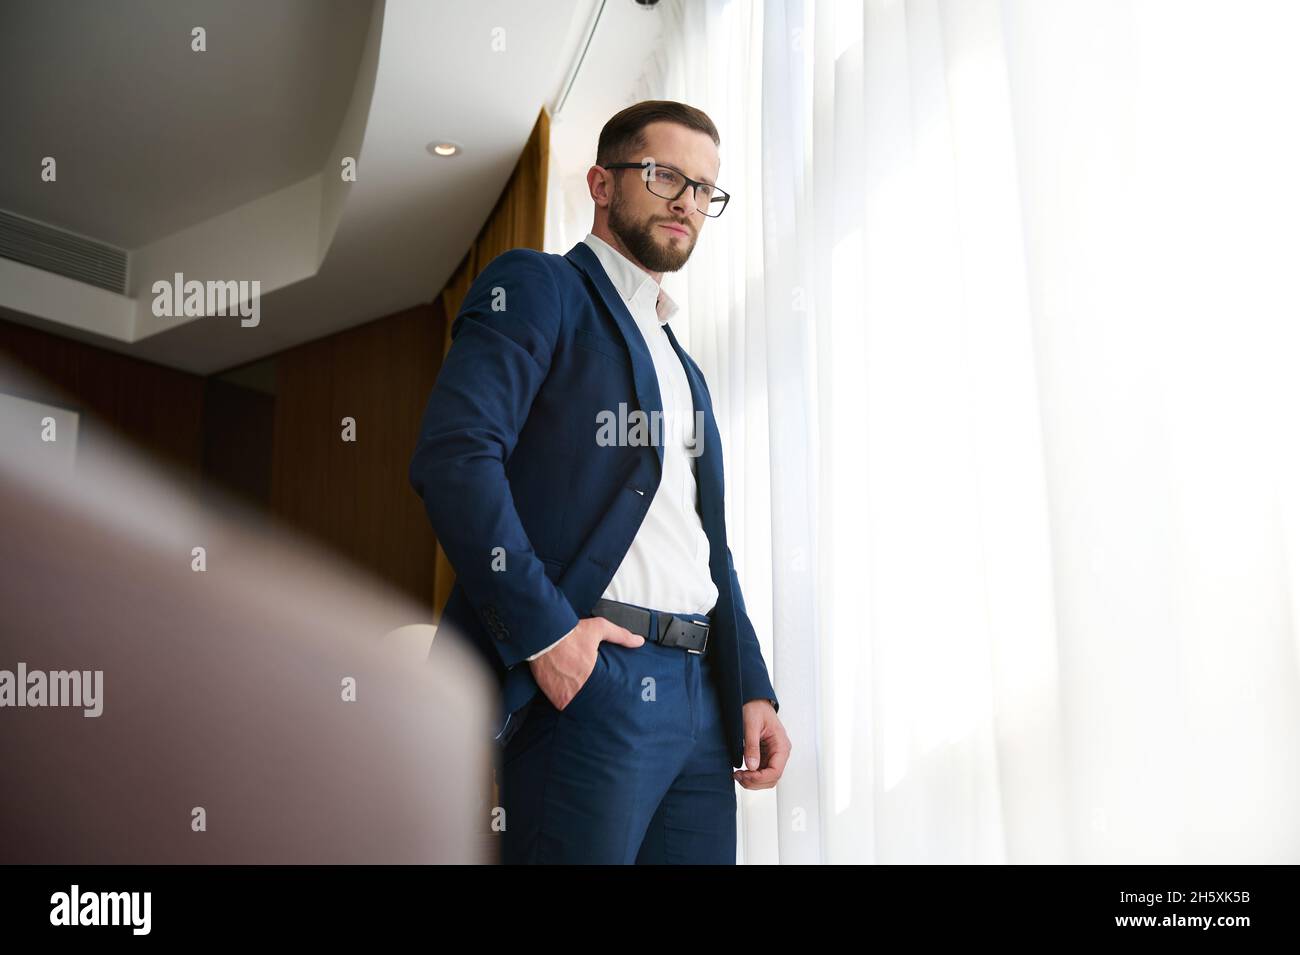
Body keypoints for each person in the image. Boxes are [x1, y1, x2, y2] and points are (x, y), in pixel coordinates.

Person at [409, 100, 790, 864]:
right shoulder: (540, 286)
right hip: (592, 679)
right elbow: (455, 455)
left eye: (704, 189)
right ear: (602, 183)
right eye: (665, 175)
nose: (687, 201)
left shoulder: (685, 366)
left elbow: (707, 545)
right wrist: (546, 635)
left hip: (702, 702)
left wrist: (751, 684)